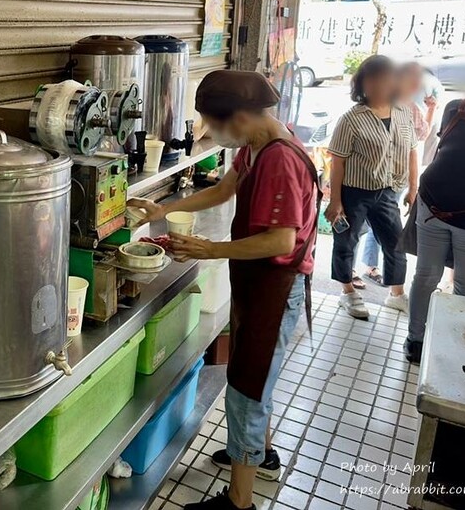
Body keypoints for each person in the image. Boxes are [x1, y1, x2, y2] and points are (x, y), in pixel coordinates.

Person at [130, 70, 319, 510]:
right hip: (258, 283)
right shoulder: (259, 144)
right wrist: (164, 208)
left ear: (239, 116)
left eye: (214, 125)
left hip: (276, 286)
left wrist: (209, 249)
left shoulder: (279, 159)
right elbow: (223, 190)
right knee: (255, 378)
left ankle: (240, 502)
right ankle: (261, 456)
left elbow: (281, 240)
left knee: (246, 391)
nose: (212, 134)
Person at [405, 52, 465, 363]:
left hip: (433, 204)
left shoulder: (457, 107)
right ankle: (447, 343)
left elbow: (449, 154)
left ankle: (416, 340)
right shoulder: (455, 107)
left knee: (427, 276)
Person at [325, 55, 418, 320]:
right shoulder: (351, 119)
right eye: (372, 79)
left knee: (395, 244)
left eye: (386, 79)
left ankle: (396, 295)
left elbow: (412, 151)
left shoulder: (403, 112)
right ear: (362, 83)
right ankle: (347, 292)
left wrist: (414, 188)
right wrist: (336, 201)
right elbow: (338, 161)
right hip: (354, 192)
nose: (379, 85)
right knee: (346, 242)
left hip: (389, 191)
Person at [357, 61, 433, 287]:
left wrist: (431, 109)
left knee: (381, 229)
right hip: (366, 181)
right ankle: (360, 273)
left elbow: (420, 137)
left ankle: (377, 273)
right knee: (358, 228)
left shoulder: (408, 106)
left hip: (395, 182)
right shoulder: (373, 105)